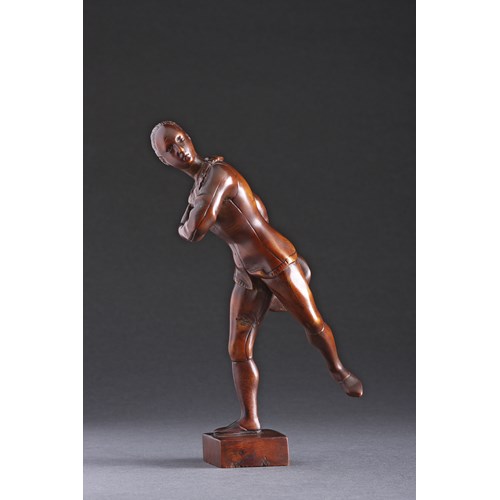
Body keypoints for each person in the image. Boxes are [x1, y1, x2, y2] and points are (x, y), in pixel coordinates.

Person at [151, 121, 363, 436]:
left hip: (275, 259)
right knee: (238, 349)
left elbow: (195, 230)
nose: (179, 149)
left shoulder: (218, 175)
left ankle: (338, 370)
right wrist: (192, 214)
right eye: (169, 149)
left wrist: (185, 224)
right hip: (246, 271)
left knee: (312, 322)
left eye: (180, 140)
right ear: (164, 160)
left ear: (190, 139)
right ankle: (249, 419)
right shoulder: (201, 185)